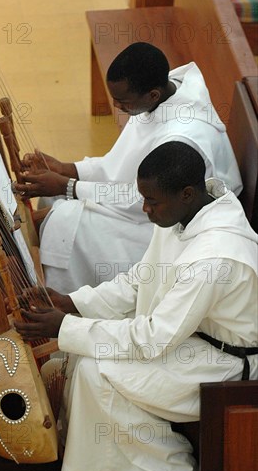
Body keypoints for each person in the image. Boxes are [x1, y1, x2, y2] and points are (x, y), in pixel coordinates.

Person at [14, 142, 258, 471]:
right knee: (86, 360)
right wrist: (73, 303)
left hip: (226, 365)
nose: (144, 209)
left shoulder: (213, 257)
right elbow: (138, 282)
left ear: (187, 193)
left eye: (151, 201)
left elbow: (152, 338)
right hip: (193, 341)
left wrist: (65, 327)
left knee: (98, 371)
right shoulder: (185, 214)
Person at [14, 43, 242, 294]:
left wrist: (69, 186)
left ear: (153, 95)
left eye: (122, 102)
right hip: (150, 205)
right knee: (54, 196)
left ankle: (65, 305)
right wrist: (68, 170)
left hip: (173, 226)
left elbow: (144, 201)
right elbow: (119, 164)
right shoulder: (161, 96)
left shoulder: (181, 136)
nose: (117, 107)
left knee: (66, 222)